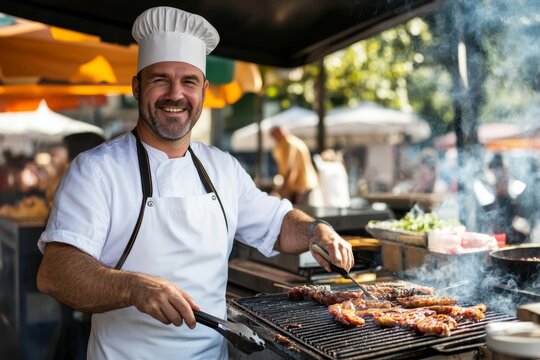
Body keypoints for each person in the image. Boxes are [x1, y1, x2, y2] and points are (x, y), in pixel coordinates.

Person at [36, 6, 353, 360]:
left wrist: (316, 231)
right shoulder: (96, 170)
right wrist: (133, 287)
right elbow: (55, 272)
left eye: (188, 81)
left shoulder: (223, 169)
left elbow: (278, 224)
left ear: (203, 90)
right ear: (137, 87)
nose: (176, 94)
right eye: (160, 80)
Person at [269, 125, 319, 204]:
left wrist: (280, 191)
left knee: (300, 211)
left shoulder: (289, 144)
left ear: (279, 133)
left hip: (301, 187)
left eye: (274, 136)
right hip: (298, 186)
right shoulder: (286, 143)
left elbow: (291, 170)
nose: (274, 139)